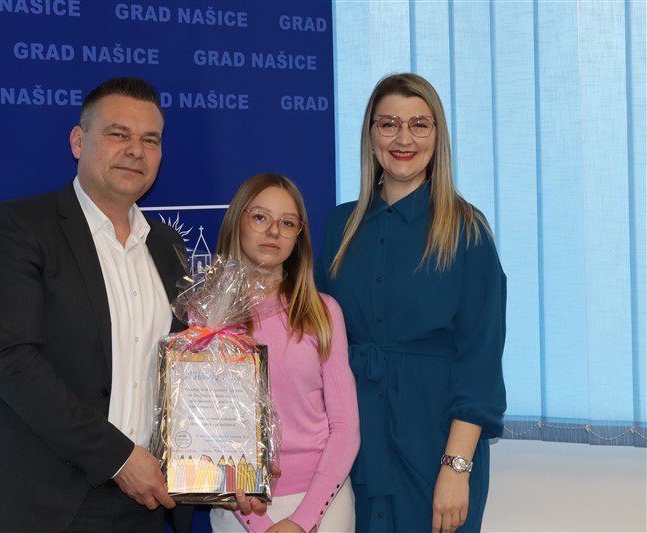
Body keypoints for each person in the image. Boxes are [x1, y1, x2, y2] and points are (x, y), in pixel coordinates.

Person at [0, 77, 263, 532]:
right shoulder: (20, 227)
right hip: (46, 499)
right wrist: (119, 459)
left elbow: (187, 371)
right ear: (79, 141)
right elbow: (10, 361)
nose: (135, 150)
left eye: (150, 140)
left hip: (147, 498)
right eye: (118, 134)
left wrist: (227, 460)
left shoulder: (168, 246)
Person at [315, 73, 507, 533]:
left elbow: (480, 359)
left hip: (436, 446)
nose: (404, 139)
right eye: (389, 124)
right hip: (354, 446)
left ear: (437, 136)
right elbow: (313, 334)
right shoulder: (340, 225)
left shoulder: (467, 230)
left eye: (419, 124)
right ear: (371, 135)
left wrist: (456, 468)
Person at [210, 173, 360, 533]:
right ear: (237, 222)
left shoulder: (323, 313)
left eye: (288, 223)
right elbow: (206, 432)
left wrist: (302, 521)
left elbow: (345, 428)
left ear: (299, 236)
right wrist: (257, 523)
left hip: (322, 503)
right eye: (260, 217)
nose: (274, 231)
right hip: (239, 508)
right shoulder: (208, 319)